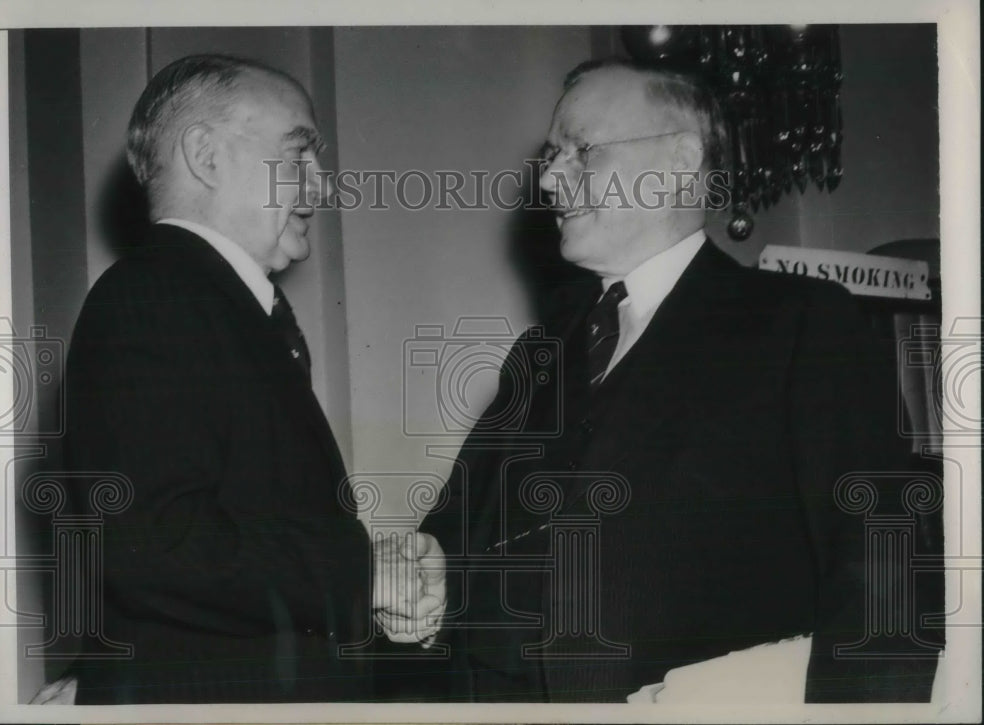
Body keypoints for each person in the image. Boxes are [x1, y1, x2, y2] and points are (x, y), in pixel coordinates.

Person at [418, 60, 942, 703]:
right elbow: (452, 530)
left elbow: (881, 572)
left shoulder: (800, 324)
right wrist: (429, 578)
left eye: (582, 150)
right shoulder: (537, 352)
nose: (550, 179)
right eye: (552, 156)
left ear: (680, 160)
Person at [64, 54, 376, 703]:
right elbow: (152, 546)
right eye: (298, 154)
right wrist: (363, 576)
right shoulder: (153, 298)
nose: (320, 188)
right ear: (206, 156)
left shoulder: (209, 304)